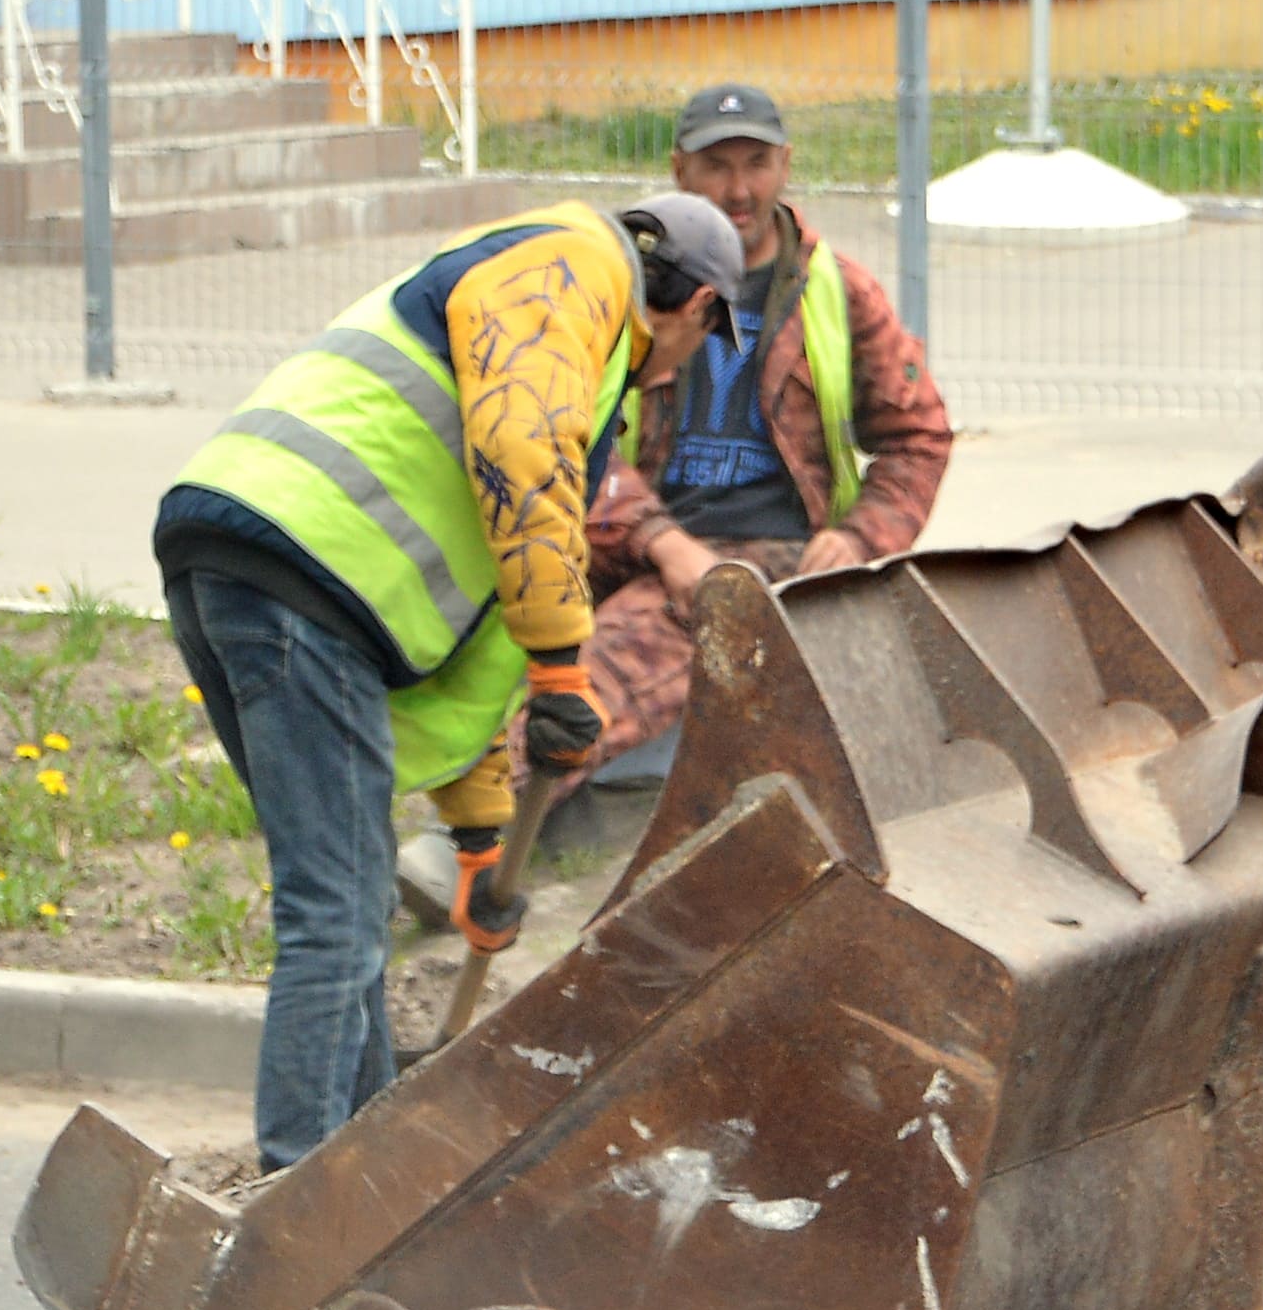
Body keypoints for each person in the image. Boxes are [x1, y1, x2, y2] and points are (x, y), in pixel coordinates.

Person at [153, 193, 745, 1170]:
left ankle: (360, 1160)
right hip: (307, 570)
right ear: (699, 307)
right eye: (703, 342)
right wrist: (564, 660)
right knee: (336, 911)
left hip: (247, 554)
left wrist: (478, 845)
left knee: (347, 898)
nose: (684, 367)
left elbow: (479, 658)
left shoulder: (563, 331)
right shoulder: (575, 269)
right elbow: (523, 457)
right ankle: (299, 1194)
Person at [580, 83, 953, 779]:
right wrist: (660, 541)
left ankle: (486, 826)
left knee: (590, 697)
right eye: (716, 166)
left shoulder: (836, 290)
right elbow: (575, 440)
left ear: (786, 163)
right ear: (679, 171)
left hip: (784, 557)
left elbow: (918, 438)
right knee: (550, 679)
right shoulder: (634, 286)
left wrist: (860, 539)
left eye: (756, 163)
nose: (738, 189)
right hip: (645, 552)